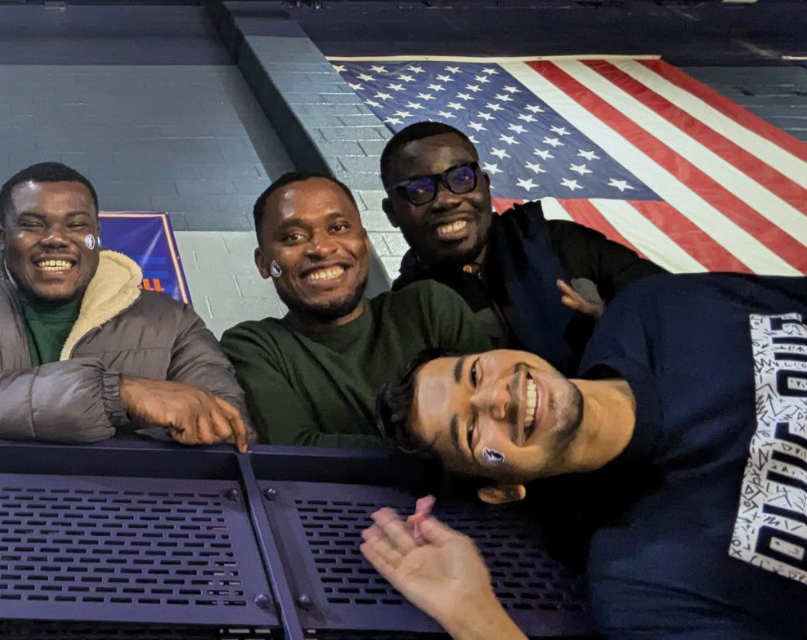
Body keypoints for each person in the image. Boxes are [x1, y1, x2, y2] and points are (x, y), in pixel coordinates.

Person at [369, 273, 807, 638]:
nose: (496, 398)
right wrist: (475, 620)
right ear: (501, 490)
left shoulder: (657, 308)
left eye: (477, 372)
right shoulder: (643, 585)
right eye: (468, 431)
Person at [0, 162, 249, 450]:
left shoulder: (173, 320)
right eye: (31, 224)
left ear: (96, 234)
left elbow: (227, 427)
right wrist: (116, 394)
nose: (56, 239)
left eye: (76, 225)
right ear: (3, 238)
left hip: (135, 517)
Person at [220, 172, 487, 447]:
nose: (321, 249)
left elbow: (501, 414)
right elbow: (298, 454)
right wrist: (451, 445)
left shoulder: (427, 307)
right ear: (263, 263)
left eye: (337, 228)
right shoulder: (253, 346)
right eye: (293, 237)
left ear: (364, 242)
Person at [380, 121, 664, 374]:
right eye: (418, 190)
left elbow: (676, 308)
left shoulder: (563, 244)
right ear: (392, 212)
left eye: (462, 178)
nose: (446, 200)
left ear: (486, 185)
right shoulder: (405, 313)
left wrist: (613, 326)